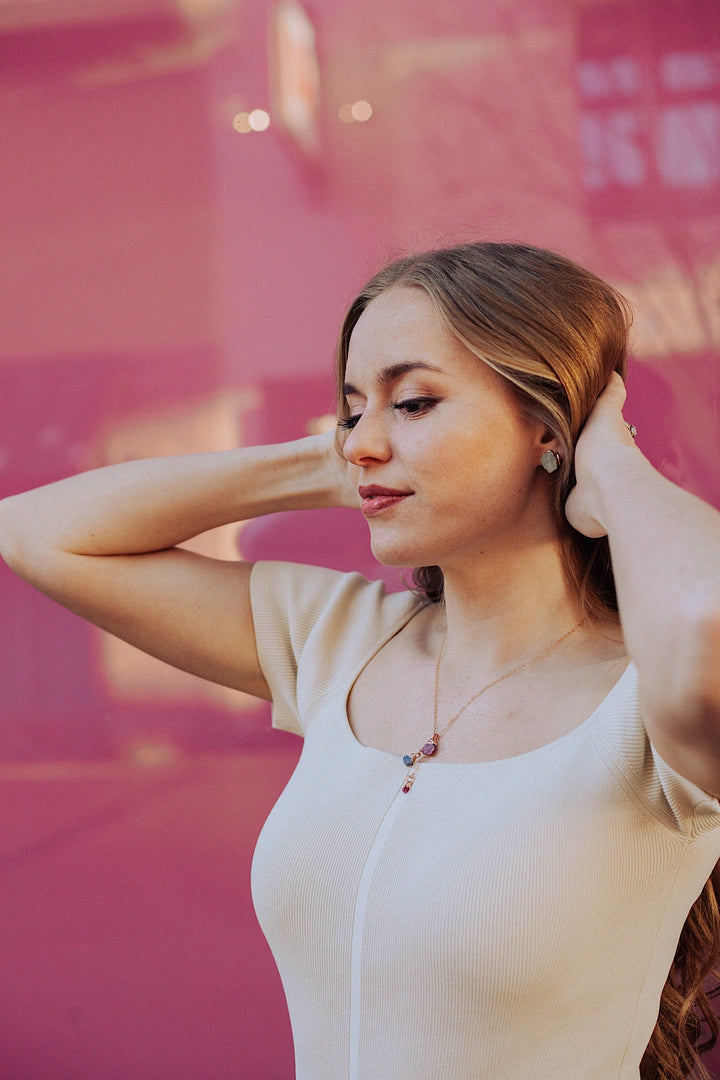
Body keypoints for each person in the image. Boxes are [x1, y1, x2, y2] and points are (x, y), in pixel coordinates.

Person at [1, 241, 720, 1080]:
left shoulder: (654, 701)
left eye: (414, 402)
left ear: (546, 425)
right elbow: (37, 535)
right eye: (352, 409)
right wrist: (327, 460)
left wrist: (610, 468)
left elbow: (706, 616)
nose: (364, 441)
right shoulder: (336, 639)